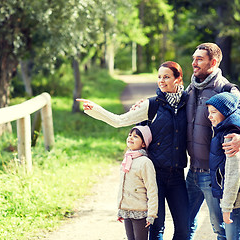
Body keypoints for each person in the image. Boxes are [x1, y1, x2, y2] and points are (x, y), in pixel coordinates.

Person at [77, 61, 189, 240]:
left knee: (184, 228)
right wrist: (95, 109)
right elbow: (119, 121)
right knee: (156, 228)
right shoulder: (151, 105)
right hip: (155, 175)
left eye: (167, 77)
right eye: (159, 77)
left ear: (178, 79)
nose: (161, 81)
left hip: (177, 176)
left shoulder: (187, 103)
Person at [186, 42, 240, 239]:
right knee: (184, 225)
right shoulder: (192, 87)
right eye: (193, 58)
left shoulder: (226, 89)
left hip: (213, 175)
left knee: (221, 229)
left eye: (199, 59)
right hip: (191, 172)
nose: (194, 63)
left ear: (213, 62)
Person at [205, 92, 240, 240]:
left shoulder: (231, 136)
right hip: (233, 198)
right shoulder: (224, 129)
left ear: (225, 113)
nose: (209, 116)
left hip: (235, 200)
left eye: (214, 112)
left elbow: (233, 174)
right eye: (209, 112)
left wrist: (226, 208)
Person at [117, 125, 158, 240]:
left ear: (143, 143)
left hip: (140, 212)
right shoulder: (127, 159)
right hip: (127, 210)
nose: (131, 138)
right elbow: (122, 186)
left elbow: (152, 189)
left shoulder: (145, 162)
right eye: (130, 135)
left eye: (135, 136)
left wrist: (151, 214)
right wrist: (121, 208)